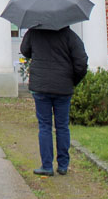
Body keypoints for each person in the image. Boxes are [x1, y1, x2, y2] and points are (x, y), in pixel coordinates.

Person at [20, 25, 88, 176]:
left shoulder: (34, 32)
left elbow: (25, 50)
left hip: (41, 86)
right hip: (63, 87)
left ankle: (47, 165)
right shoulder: (70, 35)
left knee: (44, 126)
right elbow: (81, 62)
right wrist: (73, 80)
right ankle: (63, 165)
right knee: (62, 126)